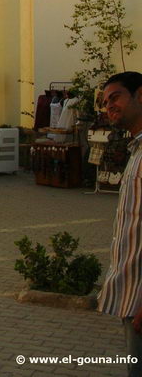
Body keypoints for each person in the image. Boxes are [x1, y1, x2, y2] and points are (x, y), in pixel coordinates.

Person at [96, 71, 142, 376]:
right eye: (105, 101)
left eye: (116, 97)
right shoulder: (135, 151)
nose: (109, 106)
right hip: (131, 296)